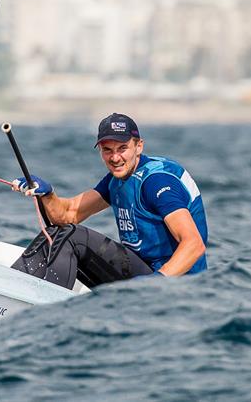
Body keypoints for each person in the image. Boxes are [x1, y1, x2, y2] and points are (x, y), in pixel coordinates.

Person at [11, 112, 208, 288]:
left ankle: (45, 304)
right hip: (140, 276)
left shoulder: (156, 181)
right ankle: (13, 285)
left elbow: (194, 244)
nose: (115, 158)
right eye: (107, 150)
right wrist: (48, 194)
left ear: (139, 146)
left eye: (122, 148)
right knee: (57, 233)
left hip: (176, 286)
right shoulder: (117, 179)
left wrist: (155, 283)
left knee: (73, 237)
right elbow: (68, 215)